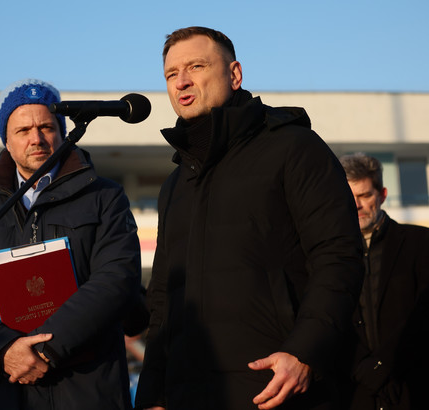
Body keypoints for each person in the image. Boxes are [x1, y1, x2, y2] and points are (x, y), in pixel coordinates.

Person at [134, 26, 365, 410]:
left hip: (276, 387)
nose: (182, 81)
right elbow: (163, 297)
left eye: (196, 66)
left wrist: (305, 353)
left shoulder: (294, 147)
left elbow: (338, 256)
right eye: (172, 74)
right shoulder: (175, 184)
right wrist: (152, 394)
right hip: (188, 393)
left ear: (235, 74)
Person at [0, 78, 142, 409]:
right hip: (5, 389)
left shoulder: (104, 196)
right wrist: (3, 350)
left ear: (61, 131)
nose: (36, 138)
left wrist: (46, 348)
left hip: (88, 388)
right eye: (23, 130)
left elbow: (116, 279)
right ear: (6, 139)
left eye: (46, 127)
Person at [339, 153, 429, 410]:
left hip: (412, 387)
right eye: (349, 197)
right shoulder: (323, 256)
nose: (356, 205)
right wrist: (363, 366)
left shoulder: (421, 243)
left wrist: (384, 365)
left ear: (383, 194)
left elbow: (424, 312)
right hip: (354, 393)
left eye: (365, 195)